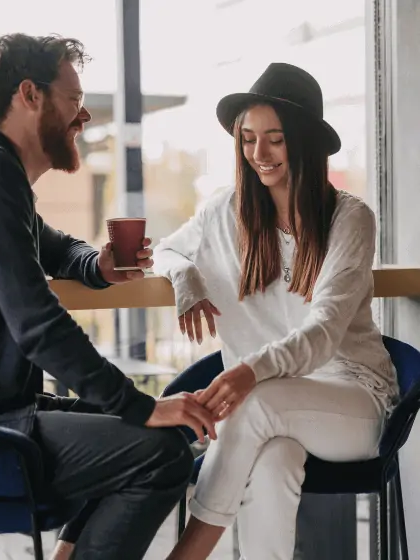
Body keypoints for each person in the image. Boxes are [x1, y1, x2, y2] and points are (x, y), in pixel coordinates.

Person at [0, 33, 219, 560]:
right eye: (74, 101)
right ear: (30, 95)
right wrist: (140, 406)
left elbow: (56, 246)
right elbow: (37, 322)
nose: (83, 118)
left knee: (152, 439)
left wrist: (96, 265)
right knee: (158, 455)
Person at [153, 62, 399, 560]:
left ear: (304, 141)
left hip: (356, 398)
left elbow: (324, 330)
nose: (257, 154)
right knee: (272, 463)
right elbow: (168, 250)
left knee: (256, 405)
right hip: (275, 408)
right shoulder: (225, 211)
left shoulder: (349, 219)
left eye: (274, 139)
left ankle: (186, 555)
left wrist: (249, 372)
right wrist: (186, 278)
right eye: (247, 138)